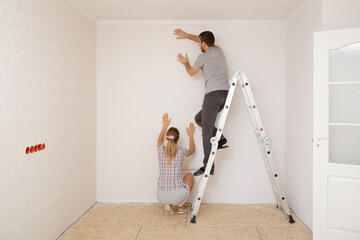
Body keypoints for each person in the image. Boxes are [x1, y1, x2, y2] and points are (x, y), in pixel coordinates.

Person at [174, 28, 229, 176]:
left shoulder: (202, 57)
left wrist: (186, 63)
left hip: (212, 96)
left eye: (200, 43)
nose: (199, 45)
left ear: (203, 44)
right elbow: (201, 39)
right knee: (199, 119)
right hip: (225, 96)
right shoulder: (219, 50)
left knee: (206, 131)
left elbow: (192, 72)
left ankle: (208, 166)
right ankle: (221, 139)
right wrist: (186, 36)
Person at [156, 113, 195, 215]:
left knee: (176, 181)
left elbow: (159, 140)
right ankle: (181, 207)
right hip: (178, 196)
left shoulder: (160, 150)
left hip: (160, 196)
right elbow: (192, 150)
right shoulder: (182, 151)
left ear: (167, 137)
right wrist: (191, 136)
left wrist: (164, 125)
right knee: (189, 175)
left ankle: (167, 203)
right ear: (178, 139)